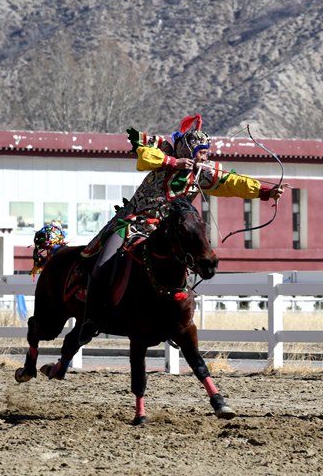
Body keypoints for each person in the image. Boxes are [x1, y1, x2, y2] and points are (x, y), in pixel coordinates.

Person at [76, 114, 286, 344]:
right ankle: (91, 318)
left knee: (182, 267)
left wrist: (265, 191)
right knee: (103, 262)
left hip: (167, 232)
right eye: (201, 152)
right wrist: (173, 163)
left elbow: (233, 182)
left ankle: (174, 323)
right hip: (133, 223)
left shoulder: (202, 173)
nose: (205, 157)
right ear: (188, 150)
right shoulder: (164, 154)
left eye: (206, 152)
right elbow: (143, 157)